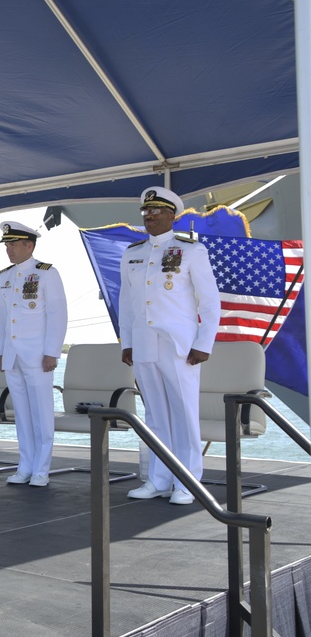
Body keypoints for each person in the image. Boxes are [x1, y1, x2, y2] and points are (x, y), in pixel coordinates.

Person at [119, 186, 221, 506]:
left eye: (157, 212)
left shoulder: (190, 250)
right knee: (155, 416)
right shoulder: (132, 253)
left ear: (172, 216)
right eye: (146, 212)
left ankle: (187, 482)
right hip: (144, 343)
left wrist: (204, 343)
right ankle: (159, 479)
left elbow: (209, 301)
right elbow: (126, 303)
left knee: (183, 414)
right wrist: (127, 342)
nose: (150, 217)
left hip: (180, 345)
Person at [0, 221, 67, 487]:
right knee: (22, 414)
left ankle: (41, 469)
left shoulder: (47, 273)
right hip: (12, 356)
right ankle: (25, 465)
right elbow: (3, 318)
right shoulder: (5, 276)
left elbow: (57, 315)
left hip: (38, 355)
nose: (9, 250)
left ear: (29, 245)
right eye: (7, 245)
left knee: (41, 413)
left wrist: (52, 352)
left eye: (13, 244)